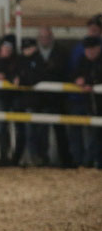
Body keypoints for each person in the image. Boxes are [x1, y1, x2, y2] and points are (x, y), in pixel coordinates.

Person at [34, 26, 73, 167]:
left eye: (47, 37)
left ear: (52, 37)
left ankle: (65, 160)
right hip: (40, 99)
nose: (44, 40)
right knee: (41, 131)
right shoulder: (33, 52)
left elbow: (64, 72)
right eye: (42, 37)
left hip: (58, 98)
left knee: (61, 131)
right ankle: (42, 159)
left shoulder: (62, 52)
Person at [69, 35, 102, 168]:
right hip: (91, 103)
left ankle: (90, 162)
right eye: (87, 49)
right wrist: (78, 80)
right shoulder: (83, 60)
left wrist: (89, 82)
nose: (89, 52)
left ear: (98, 48)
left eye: (91, 49)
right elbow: (73, 74)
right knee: (94, 133)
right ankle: (92, 162)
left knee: (95, 134)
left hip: (97, 103)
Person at [0, 34, 18, 166]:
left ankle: (14, 157)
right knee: (2, 127)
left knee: (18, 127)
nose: (7, 50)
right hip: (1, 97)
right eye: (5, 47)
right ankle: (3, 156)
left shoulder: (15, 61)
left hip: (13, 97)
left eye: (9, 48)